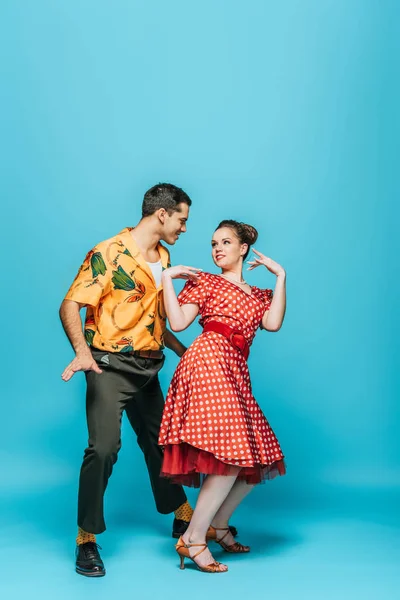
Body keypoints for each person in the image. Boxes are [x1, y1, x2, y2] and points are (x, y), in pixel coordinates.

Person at [59, 183, 202, 577]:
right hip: (108, 365)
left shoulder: (164, 257)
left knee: (161, 443)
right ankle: (86, 538)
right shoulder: (108, 252)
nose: (184, 228)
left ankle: (180, 514)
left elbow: (151, 317)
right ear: (162, 214)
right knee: (104, 448)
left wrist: (181, 349)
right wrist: (82, 353)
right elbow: (70, 303)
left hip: (149, 366)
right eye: (182, 219)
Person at [158, 219, 287, 573]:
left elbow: (273, 323)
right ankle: (194, 539)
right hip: (207, 361)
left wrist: (280, 276)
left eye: (226, 242)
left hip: (235, 370)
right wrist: (167, 279)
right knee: (231, 456)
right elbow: (179, 322)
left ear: (243, 248)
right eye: (214, 243)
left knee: (258, 455)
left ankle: (217, 526)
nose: (217, 249)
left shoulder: (260, 295)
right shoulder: (207, 282)